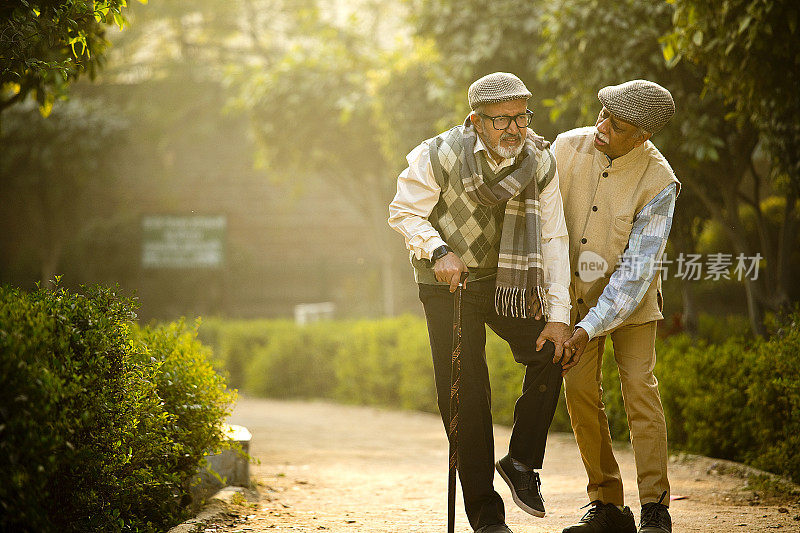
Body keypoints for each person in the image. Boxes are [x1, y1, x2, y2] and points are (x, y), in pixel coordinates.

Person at [388, 72, 572, 533]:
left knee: (552, 349)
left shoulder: (539, 160)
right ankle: (487, 519)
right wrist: (438, 251)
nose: (514, 128)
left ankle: (522, 462)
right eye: (501, 120)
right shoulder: (437, 155)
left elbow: (553, 238)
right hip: (448, 283)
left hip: (507, 281)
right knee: (468, 395)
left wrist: (560, 316)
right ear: (475, 121)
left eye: (521, 116)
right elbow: (404, 211)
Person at [553, 80, 680, 533]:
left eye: (616, 124)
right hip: (573, 296)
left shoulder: (660, 181)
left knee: (640, 391)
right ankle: (607, 502)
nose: (601, 127)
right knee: (581, 391)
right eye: (602, 114)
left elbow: (635, 274)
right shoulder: (565, 148)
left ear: (641, 136)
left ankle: (654, 506)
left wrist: (589, 327)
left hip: (632, 303)